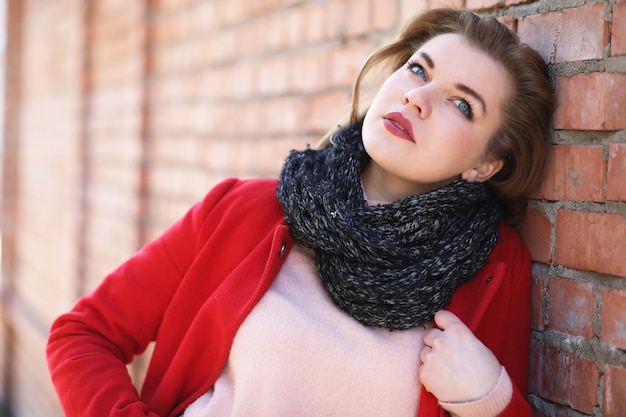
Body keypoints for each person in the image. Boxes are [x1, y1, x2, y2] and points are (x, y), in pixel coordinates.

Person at [46, 7, 554, 417]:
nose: (417, 98)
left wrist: (491, 400)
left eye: (462, 104)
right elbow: (82, 334)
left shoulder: (494, 269)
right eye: (418, 69)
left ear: (486, 164)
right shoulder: (244, 210)